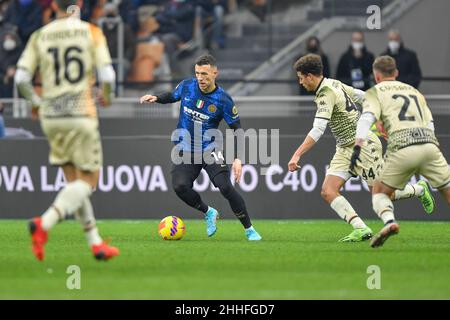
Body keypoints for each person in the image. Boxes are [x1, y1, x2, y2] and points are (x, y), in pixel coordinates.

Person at [288, 54, 435, 242]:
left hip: (364, 145)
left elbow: (318, 129)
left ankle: (419, 189)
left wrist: (296, 155)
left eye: (301, 77)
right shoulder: (334, 83)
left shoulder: (326, 93)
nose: (300, 82)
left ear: (310, 76)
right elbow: (361, 95)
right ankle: (360, 228)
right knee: (328, 190)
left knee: (384, 194)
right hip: (344, 148)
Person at [14, 0, 119, 261]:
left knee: (74, 181)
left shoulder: (40, 35)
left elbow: (20, 79)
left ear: (53, 5)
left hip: (51, 115)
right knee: (88, 182)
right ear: (79, 4)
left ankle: (95, 243)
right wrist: (108, 97)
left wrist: (36, 103)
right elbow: (107, 76)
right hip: (80, 113)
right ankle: (44, 223)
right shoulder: (91, 31)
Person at [140, 54, 262, 241]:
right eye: (197, 73)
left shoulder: (224, 100)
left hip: (209, 149)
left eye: (204, 74)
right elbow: (171, 96)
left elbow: (237, 129)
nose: (200, 78)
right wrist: (155, 97)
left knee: (226, 188)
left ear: (215, 73)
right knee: (180, 187)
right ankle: (208, 212)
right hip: (185, 149)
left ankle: (249, 229)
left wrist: (239, 158)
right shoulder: (187, 86)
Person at [351, 55, 450, 248]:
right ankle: (421, 191)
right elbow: (429, 122)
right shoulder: (414, 91)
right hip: (429, 144)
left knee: (379, 191)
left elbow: (366, 119)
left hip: (402, 146)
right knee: (447, 189)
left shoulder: (375, 91)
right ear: (396, 73)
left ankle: (389, 222)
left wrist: (357, 146)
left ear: (376, 76)